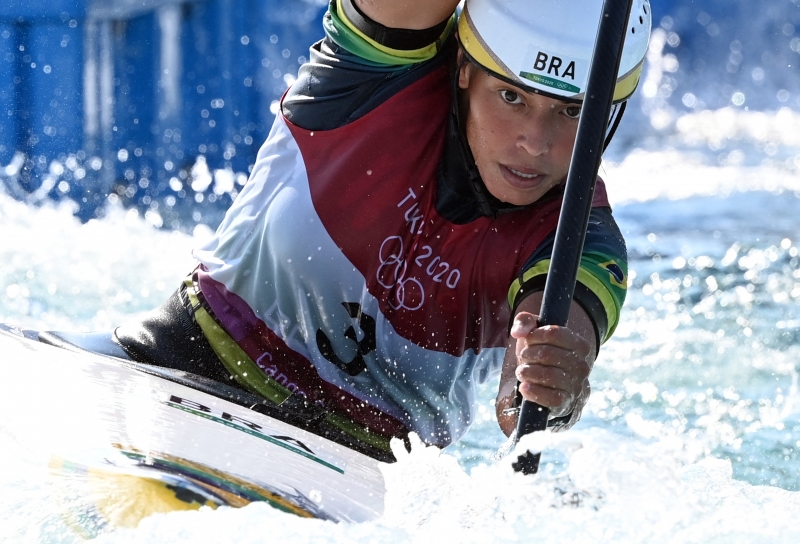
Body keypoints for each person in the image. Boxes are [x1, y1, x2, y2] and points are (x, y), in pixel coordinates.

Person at [103, 0, 651, 458]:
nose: (536, 141)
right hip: (175, 361)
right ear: (464, 66)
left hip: (366, 470)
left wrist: (546, 381)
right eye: (512, 97)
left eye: (572, 112)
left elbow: (540, 367)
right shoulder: (372, 73)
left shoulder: (582, 240)